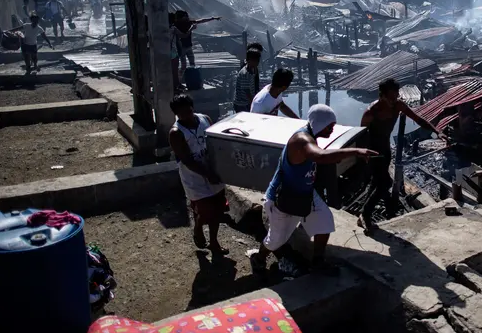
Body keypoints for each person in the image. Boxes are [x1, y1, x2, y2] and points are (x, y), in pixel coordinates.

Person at [250, 104, 378, 274]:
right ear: (319, 123)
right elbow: (319, 156)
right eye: (329, 126)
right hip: (284, 197)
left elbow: (316, 157)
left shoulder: (311, 135)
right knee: (276, 240)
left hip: (306, 193)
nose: (332, 130)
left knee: (324, 221)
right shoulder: (301, 139)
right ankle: (258, 258)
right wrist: (355, 151)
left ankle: (317, 261)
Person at [358, 78, 448, 232]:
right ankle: (366, 214)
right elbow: (360, 135)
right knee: (385, 183)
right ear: (382, 95)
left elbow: (419, 119)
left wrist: (437, 131)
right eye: (391, 97)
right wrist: (361, 156)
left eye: (396, 95)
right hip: (372, 151)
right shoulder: (371, 112)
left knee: (376, 183)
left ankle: (363, 215)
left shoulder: (398, 105)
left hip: (385, 149)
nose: (394, 100)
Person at [168, 94, 228, 256]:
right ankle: (198, 227)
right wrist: (207, 174)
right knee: (206, 211)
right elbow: (187, 160)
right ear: (176, 114)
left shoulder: (205, 120)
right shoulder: (176, 133)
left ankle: (214, 242)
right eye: (183, 113)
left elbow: (215, 142)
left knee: (218, 209)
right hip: (194, 178)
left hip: (213, 172)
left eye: (189, 110)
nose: (188, 115)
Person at [233, 43, 264, 113]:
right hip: (242, 104)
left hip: (247, 101)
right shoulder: (245, 73)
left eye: (258, 61)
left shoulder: (253, 69)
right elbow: (247, 92)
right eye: (256, 61)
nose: (257, 63)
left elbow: (254, 85)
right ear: (249, 60)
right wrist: (253, 104)